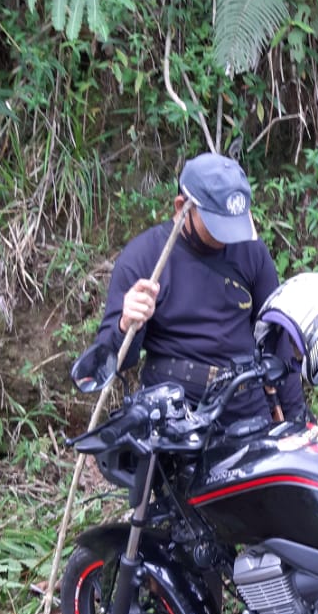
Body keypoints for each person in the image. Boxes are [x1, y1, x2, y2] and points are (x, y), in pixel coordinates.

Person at [95, 152, 306, 422]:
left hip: (245, 408)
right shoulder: (144, 260)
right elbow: (115, 362)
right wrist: (125, 325)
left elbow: (276, 341)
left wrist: (297, 417)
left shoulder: (251, 250)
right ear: (181, 206)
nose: (229, 238)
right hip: (175, 413)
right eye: (218, 226)